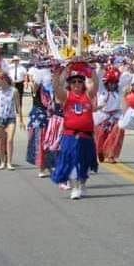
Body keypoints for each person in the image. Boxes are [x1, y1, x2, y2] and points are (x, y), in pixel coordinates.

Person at [51, 63, 99, 199]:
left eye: (79, 81)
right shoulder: (66, 96)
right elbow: (56, 87)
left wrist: (89, 67)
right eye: (73, 82)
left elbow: (95, 83)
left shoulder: (88, 95)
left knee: (84, 162)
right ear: (70, 84)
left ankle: (82, 184)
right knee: (72, 161)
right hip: (70, 136)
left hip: (87, 136)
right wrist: (61, 72)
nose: (77, 84)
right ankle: (75, 187)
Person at [0, 69, 24, 169]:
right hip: (0, 117)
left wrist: (21, 120)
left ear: (3, 79)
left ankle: (9, 163)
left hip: (11, 118)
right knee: (1, 140)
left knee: (10, 140)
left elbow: (18, 106)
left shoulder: (14, 91)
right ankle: (2, 162)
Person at [94, 66, 124, 162]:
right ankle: (100, 151)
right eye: (110, 83)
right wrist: (98, 67)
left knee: (116, 134)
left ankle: (110, 155)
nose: (112, 85)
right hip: (103, 117)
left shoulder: (118, 93)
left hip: (115, 117)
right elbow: (96, 79)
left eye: (114, 83)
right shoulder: (101, 91)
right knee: (101, 136)